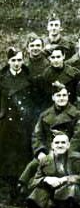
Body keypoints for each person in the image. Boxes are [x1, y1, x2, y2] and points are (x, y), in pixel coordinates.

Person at [26, 131, 80, 208]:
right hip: (51, 195)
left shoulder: (77, 158)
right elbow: (33, 182)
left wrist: (65, 179)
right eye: (57, 143)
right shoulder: (45, 160)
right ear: (52, 145)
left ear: (68, 145)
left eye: (63, 143)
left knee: (73, 189)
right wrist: (46, 179)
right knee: (38, 192)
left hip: (70, 196)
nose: (60, 145)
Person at [0, 47, 37, 194]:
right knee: (7, 152)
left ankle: (21, 185)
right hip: (7, 122)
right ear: (8, 61)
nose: (16, 63)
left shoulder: (29, 78)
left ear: (23, 60)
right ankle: (7, 186)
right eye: (13, 60)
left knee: (22, 153)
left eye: (19, 60)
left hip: (24, 122)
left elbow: (34, 100)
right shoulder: (2, 79)